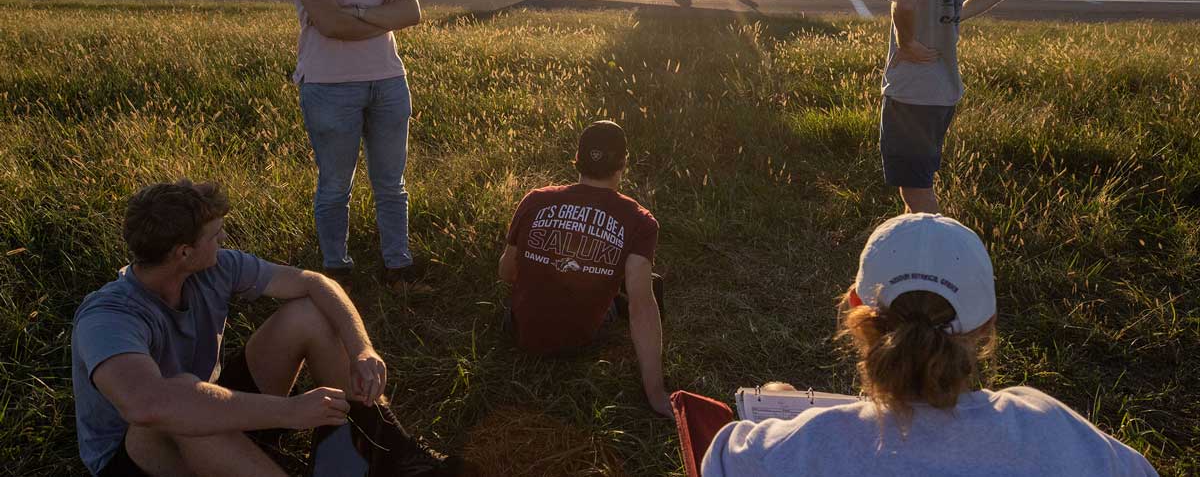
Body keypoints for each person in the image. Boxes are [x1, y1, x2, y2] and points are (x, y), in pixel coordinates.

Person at [702, 213, 1158, 477]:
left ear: (855, 309)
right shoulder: (1055, 434)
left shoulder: (801, 447)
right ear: (986, 327)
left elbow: (716, 461)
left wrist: (803, 419)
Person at [71, 180, 464, 477]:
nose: (224, 239)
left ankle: (384, 451)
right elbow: (149, 406)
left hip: (213, 415)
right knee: (183, 404)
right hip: (141, 456)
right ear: (184, 253)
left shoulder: (214, 268)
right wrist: (290, 411)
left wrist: (362, 349)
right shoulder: (109, 317)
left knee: (308, 314)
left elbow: (315, 282)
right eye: (215, 235)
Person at [281, 0, 424, 291]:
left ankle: (397, 266)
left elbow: (412, 12)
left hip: (388, 79)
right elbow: (327, 22)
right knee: (335, 186)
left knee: (392, 184)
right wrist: (372, 16)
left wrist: (354, 13)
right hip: (329, 84)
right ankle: (335, 270)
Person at [497, 120, 670, 416]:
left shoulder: (536, 199)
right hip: (580, 340)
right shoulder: (639, 220)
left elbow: (506, 273)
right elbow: (641, 306)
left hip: (517, 332)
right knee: (649, 285)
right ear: (623, 164)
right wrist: (656, 393)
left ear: (577, 159)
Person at [881, 0, 1009, 214]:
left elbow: (905, 2)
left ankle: (932, 254)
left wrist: (907, 43)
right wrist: (955, 14)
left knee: (916, 192)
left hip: (912, 91)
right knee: (921, 179)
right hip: (944, 90)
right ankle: (916, 243)